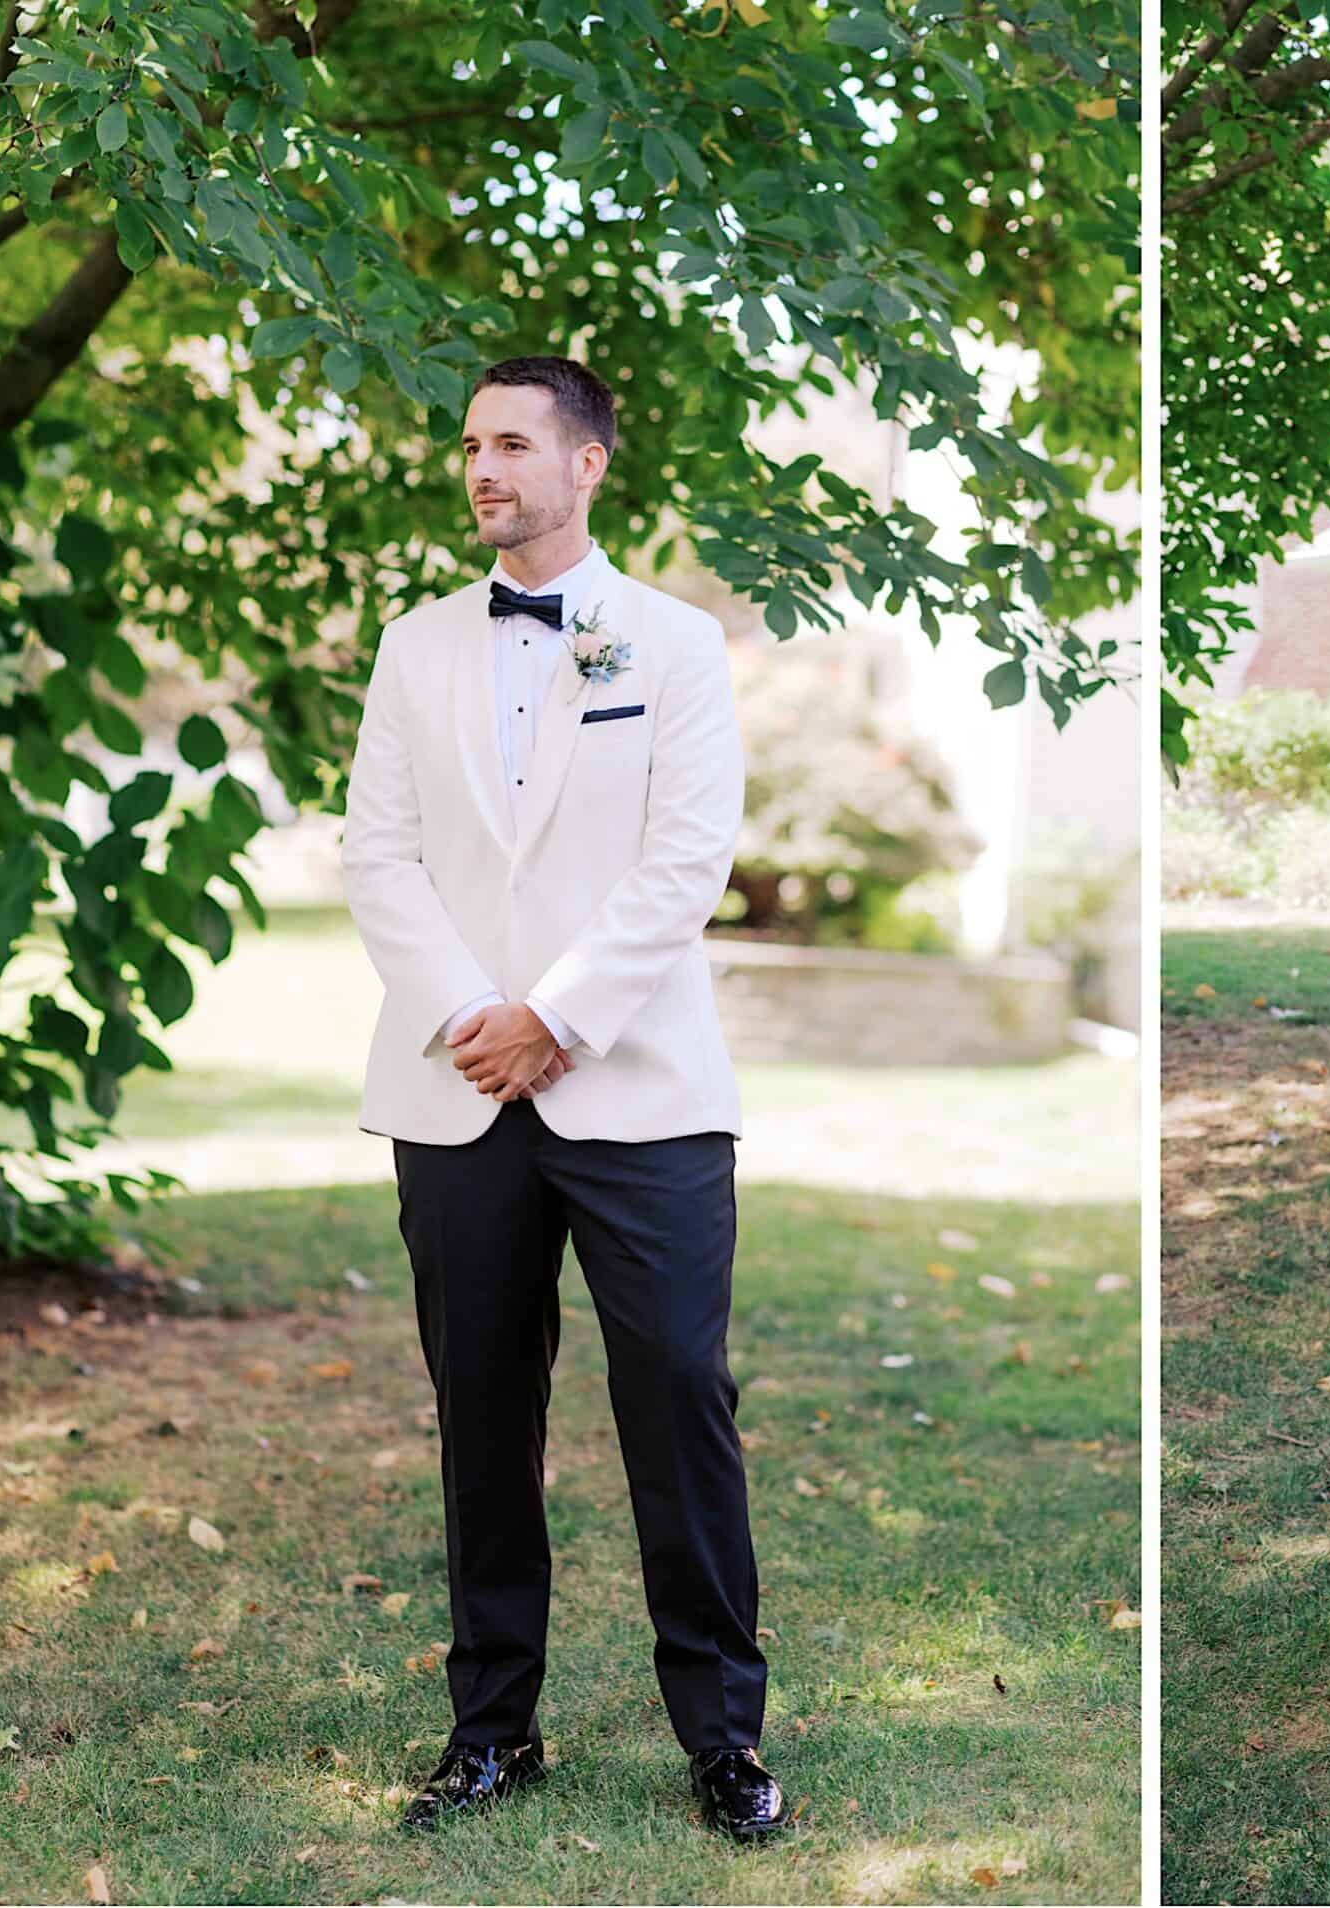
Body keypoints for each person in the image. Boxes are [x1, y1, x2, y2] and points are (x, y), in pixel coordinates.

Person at [339, 354, 785, 1842]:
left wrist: (560, 1017)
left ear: (588, 464)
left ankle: (723, 1740)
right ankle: (492, 1731)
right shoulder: (412, 650)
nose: (483, 468)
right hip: (458, 1088)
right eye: (470, 443)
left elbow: (686, 859)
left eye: (513, 443)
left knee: (678, 1401)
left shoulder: (675, 642)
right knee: (481, 1410)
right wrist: (479, 1018)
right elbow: (378, 858)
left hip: (642, 1088)